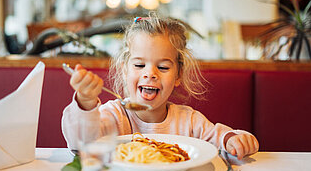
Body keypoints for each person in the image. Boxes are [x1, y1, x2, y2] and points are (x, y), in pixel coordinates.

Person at [62, 14, 259, 160]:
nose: (150, 73)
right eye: (139, 65)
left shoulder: (189, 121)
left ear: (178, 75)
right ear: (124, 70)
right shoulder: (113, 115)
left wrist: (235, 140)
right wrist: (86, 103)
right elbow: (81, 143)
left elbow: (221, 138)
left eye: (163, 67)